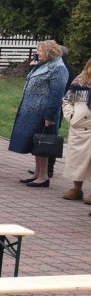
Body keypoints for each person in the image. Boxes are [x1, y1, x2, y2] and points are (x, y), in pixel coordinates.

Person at [8, 40, 68, 187]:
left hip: (43, 113)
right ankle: (37, 173)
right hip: (32, 111)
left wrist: (49, 116)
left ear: (49, 51)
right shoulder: (45, 64)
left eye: (41, 50)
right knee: (36, 143)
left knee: (42, 144)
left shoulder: (58, 68)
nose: (38, 53)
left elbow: (56, 95)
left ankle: (43, 177)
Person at [61, 57, 91, 204]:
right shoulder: (79, 80)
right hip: (78, 127)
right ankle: (76, 188)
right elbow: (67, 100)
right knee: (76, 159)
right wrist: (71, 116)